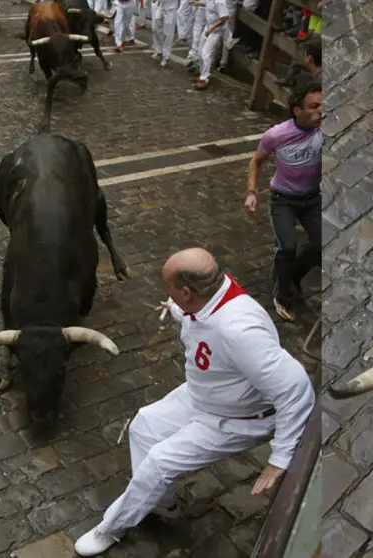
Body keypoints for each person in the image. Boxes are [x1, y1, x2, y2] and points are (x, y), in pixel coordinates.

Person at [74, 248, 316, 556]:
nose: (168, 292)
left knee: (159, 462)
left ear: (187, 291)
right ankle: (163, 503)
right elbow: (198, 314)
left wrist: (280, 457)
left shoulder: (240, 332)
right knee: (143, 426)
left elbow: (296, 389)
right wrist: (176, 310)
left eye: (170, 288)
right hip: (203, 393)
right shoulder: (210, 294)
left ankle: (112, 527)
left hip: (237, 419)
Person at [244, 81, 322, 321]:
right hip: (283, 199)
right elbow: (256, 161)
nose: (321, 111)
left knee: (322, 245)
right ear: (297, 111)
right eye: (314, 106)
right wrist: (251, 192)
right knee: (287, 247)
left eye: (322, 105)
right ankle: (282, 295)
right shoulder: (277, 135)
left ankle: (291, 276)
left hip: (313, 198)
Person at [192, 0, 229, 90]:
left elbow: (225, 17)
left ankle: (204, 78)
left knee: (205, 53)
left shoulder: (220, 2)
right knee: (200, 51)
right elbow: (209, 6)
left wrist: (212, 27)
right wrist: (198, 3)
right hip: (208, 27)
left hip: (216, 31)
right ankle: (202, 73)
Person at [152, 0, 179, 67]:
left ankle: (165, 56)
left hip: (171, 8)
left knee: (168, 34)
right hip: (161, 6)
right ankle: (159, 50)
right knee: (156, 29)